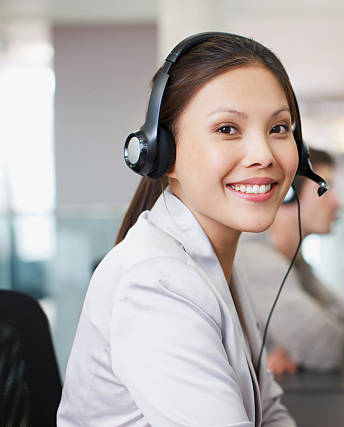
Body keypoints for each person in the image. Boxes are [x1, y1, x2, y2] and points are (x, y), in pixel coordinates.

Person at [56, 32, 318, 426]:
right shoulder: (156, 286)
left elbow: (270, 412)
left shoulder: (218, 262)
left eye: (279, 128)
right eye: (227, 129)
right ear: (163, 153)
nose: (264, 154)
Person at [237, 149, 344, 374]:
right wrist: (321, 320)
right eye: (325, 188)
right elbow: (328, 348)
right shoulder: (256, 261)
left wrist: (323, 318)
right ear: (288, 192)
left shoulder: (293, 260)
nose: (336, 201)